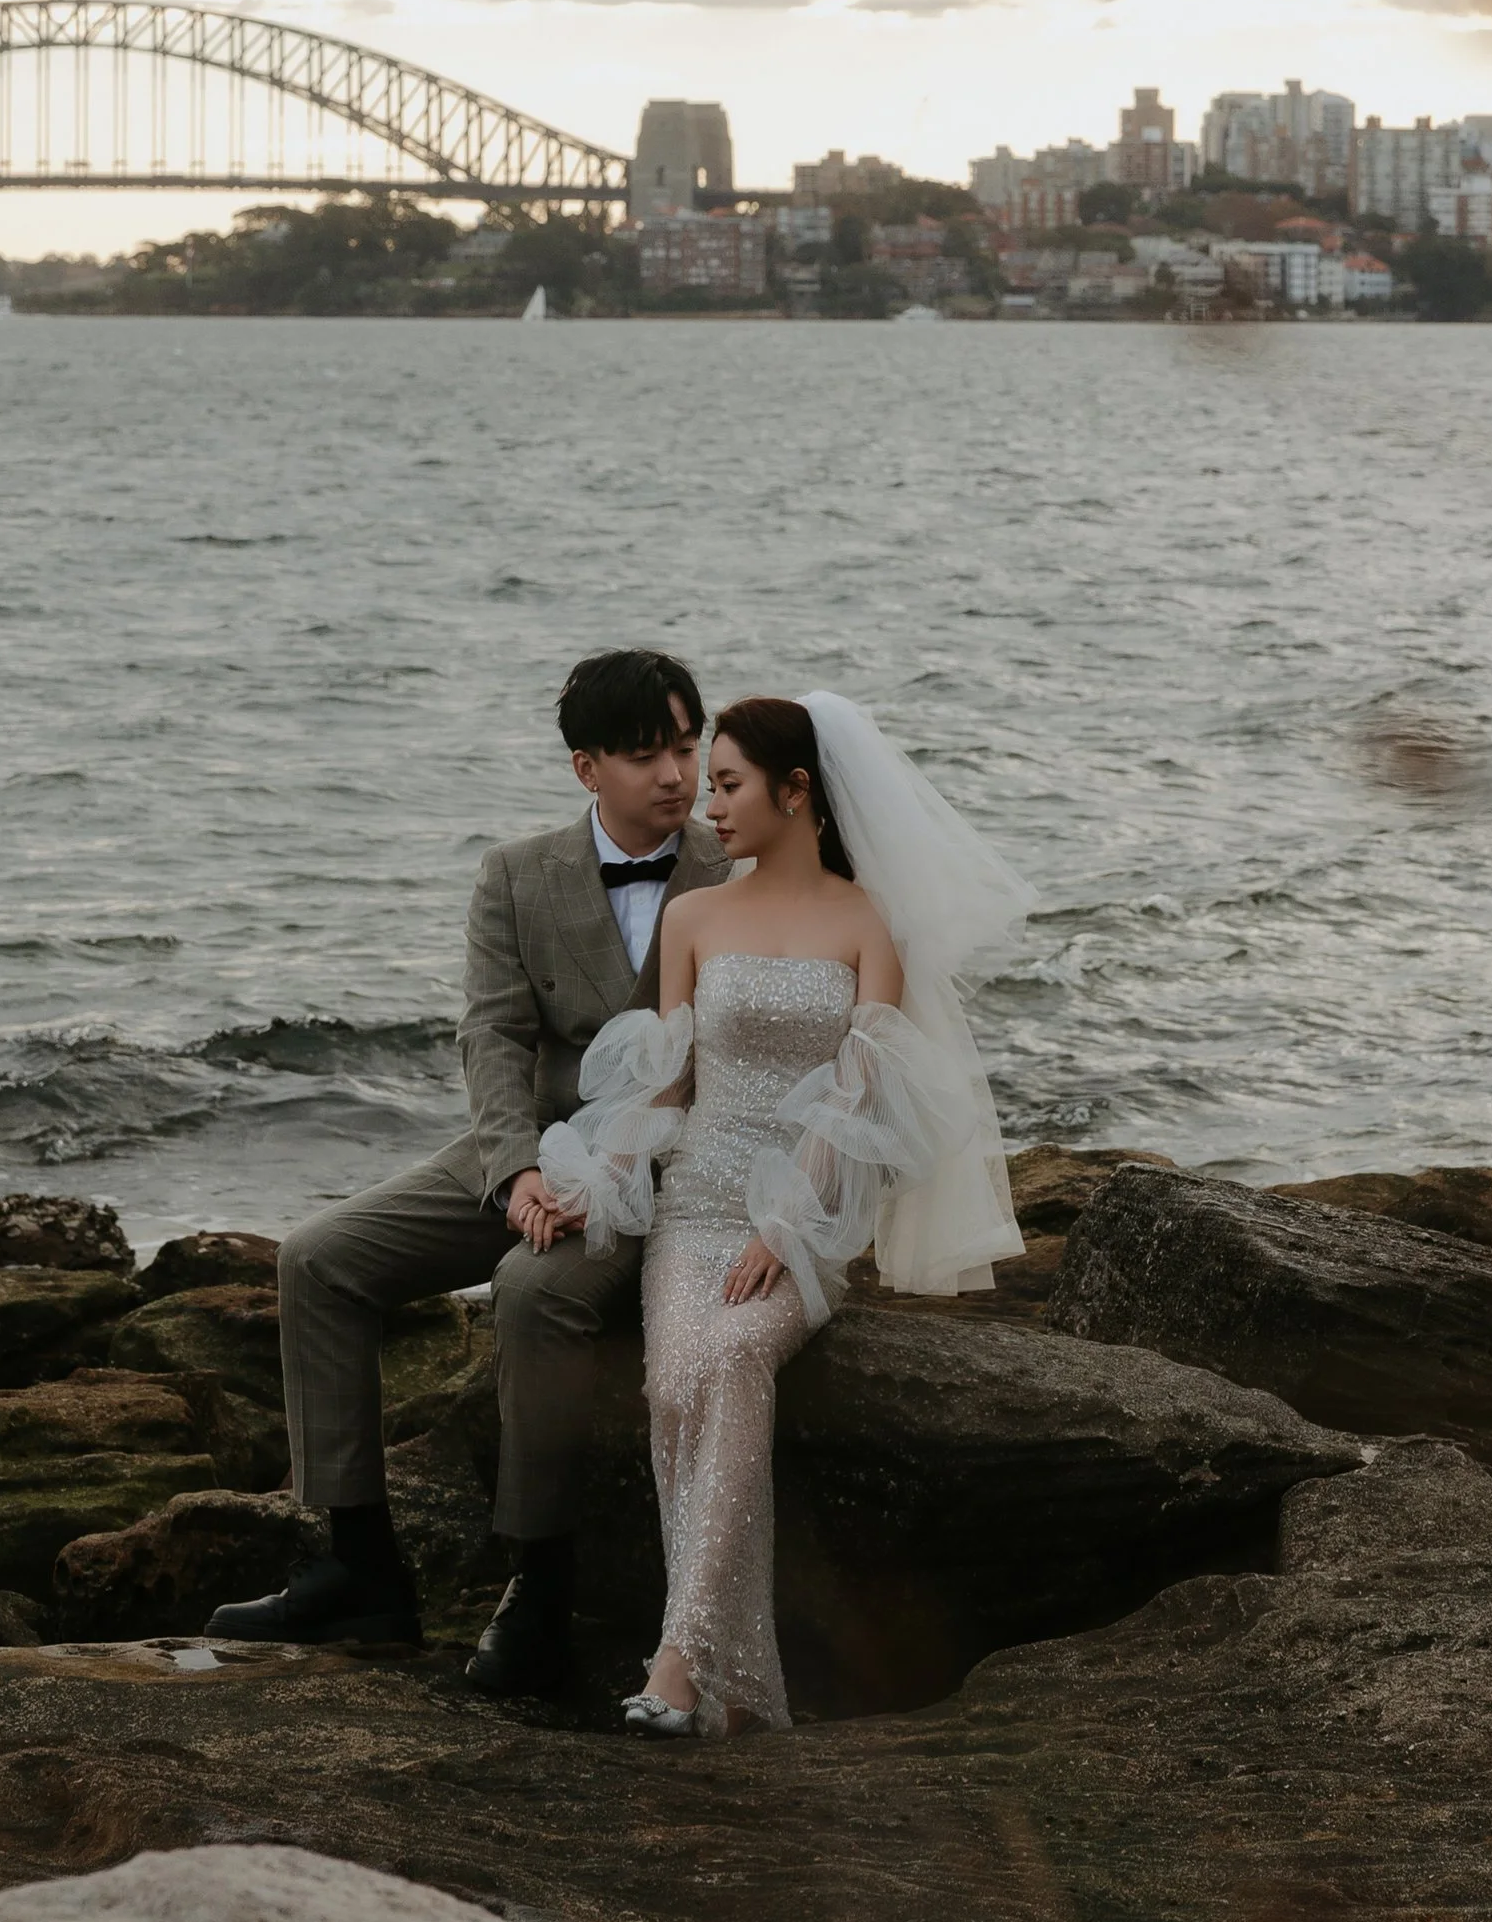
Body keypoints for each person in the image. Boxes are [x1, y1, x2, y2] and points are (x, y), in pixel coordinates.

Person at [209, 646, 729, 1697]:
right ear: (586, 767)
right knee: (318, 1259)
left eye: (686, 746)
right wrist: (514, 1172)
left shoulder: (735, 870)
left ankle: (538, 1587)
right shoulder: (515, 874)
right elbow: (490, 1037)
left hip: (664, 1162)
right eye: (644, 755)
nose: (675, 775)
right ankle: (358, 1569)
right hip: (528, 1141)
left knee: (534, 1291)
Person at [537, 690, 1029, 1736]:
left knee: (735, 1356)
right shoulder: (693, 916)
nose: (707, 805)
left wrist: (788, 1227)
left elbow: (857, 1099)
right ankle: (734, 1692)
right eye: (704, 783)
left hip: (797, 1221)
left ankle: (677, 1668)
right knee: (676, 1380)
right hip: (696, 1209)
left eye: (726, 784)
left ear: (796, 791)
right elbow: (666, 1085)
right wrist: (584, 1184)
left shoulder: (866, 922)